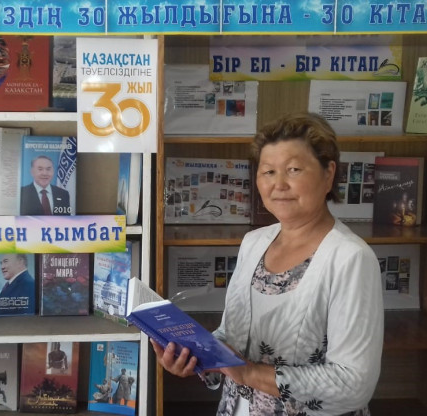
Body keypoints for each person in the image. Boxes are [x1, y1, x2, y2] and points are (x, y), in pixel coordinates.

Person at [151, 113, 383, 415]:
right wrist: (194, 356)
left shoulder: (350, 258)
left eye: (294, 170)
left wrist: (250, 373)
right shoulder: (254, 243)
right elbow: (231, 335)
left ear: (328, 174)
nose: (279, 184)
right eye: (268, 172)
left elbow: (354, 384)